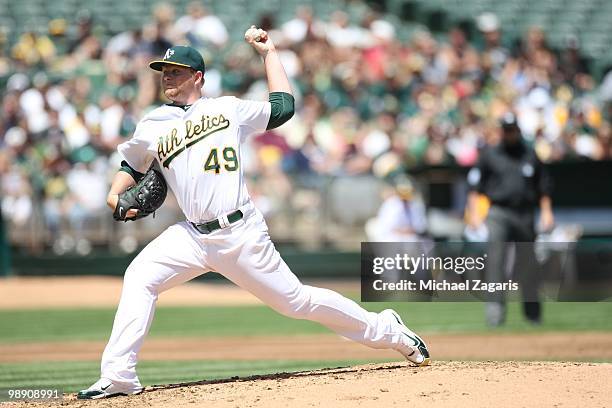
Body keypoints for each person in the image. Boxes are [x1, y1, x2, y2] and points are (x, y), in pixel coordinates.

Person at [77, 28, 430, 400]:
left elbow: (283, 108)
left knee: (296, 302)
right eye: (164, 70)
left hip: (239, 232)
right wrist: (115, 193)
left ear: (198, 77)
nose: (168, 75)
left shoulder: (227, 108)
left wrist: (269, 54)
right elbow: (131, 164)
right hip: (193, 236)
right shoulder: (152, 124)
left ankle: (386, 330)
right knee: (140, 276)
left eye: (176, 70)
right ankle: (118, 375)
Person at [466, 112, 554, 326]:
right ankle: (495, 312)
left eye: (512, 129)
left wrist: (547, 211)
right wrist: (475, 214)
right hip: (499, 213)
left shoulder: (529, 154)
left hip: (524, 213)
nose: (509, 134)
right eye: (505, 130)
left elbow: (543, 187)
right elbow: (475, 188)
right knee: (496, 262)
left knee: (528, 263)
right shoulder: (490, 155)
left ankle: (533, 314)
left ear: (518, 130)